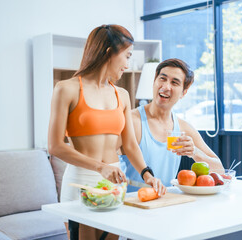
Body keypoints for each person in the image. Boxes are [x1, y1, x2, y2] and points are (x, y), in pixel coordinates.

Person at [48, 24, 166, 240]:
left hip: (113, 185)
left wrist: (147, 175)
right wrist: (100, 167)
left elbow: (129, 145)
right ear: (109, 52)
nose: (128, 64)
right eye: (127, 56)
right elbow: (55, 146)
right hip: (80, 183)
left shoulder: (121, 94)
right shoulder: (66, 89)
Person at [119, 58, 224, 192]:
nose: (166, 86)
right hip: (130, 203)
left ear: (183, 93)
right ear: (154, 82)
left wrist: (194, 153)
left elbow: (219, 169)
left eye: (174, 82)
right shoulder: (131, 120)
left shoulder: (184, 128)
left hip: (166, 203)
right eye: (162, 79)